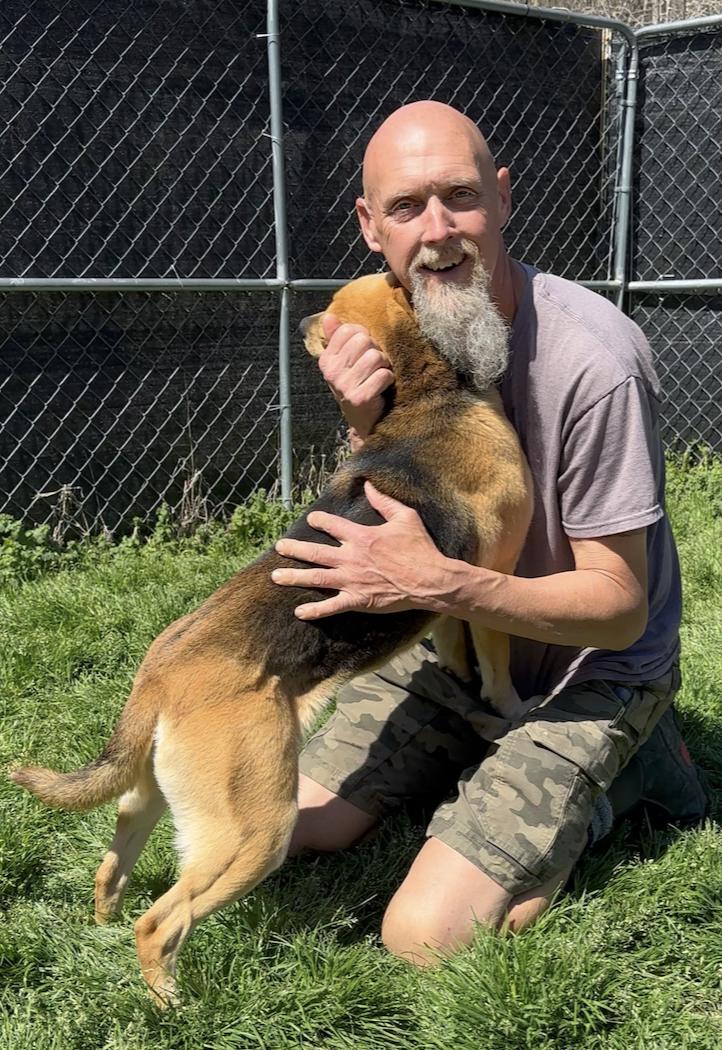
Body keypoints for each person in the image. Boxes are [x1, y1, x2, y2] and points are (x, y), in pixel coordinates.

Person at [270, 101, 707, 964]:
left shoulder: (595, 363)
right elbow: (417, 517)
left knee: (423, 937)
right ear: (368, 226)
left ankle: (633, 775)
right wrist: (369, 430)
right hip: (459, 657)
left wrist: (434, 585)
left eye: (460, 197)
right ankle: (476, 751)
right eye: (405, 207)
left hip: (592, 672)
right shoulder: (390, 335)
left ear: (502, 200)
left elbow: (620, 609)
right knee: (293, 829)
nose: (438, 232)